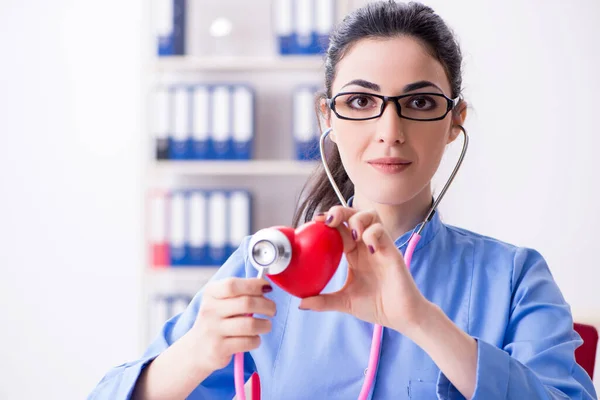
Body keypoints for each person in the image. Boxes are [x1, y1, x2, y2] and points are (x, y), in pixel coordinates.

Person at [89, 1, 597, 399]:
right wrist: (197, 352)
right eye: (360, 101)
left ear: (454, 121)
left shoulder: (513, 278)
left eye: (419, 102)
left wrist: (422, 321)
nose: (389, 132)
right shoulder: (263, 267)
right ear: (326, 117)